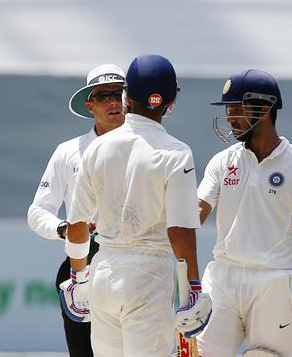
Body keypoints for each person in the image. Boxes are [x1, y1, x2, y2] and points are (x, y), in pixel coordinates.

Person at [60, 54, 212, 356]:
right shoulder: (177, 153)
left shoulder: (97, 148)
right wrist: (193, 287)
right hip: (150, 275)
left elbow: (77, 226)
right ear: (170, 103)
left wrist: (78, 276)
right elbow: (180, 231)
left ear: (127, 96)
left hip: (104, 274)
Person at [196, 69, 292, 356]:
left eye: (236, 110)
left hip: (275, 280)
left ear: (264, 109)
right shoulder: (222, 161)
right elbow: (196, 214)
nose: (230, 118)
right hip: (223, 277)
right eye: (228, 110)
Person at [27, 63, 127, 356]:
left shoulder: (150, 148)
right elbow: (37, 211)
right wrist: (64, 229)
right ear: (89, 105)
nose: (113, 102)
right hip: (81, 264)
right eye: (104, 95)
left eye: (119, 94)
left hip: (135, 263)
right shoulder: (68, 151)